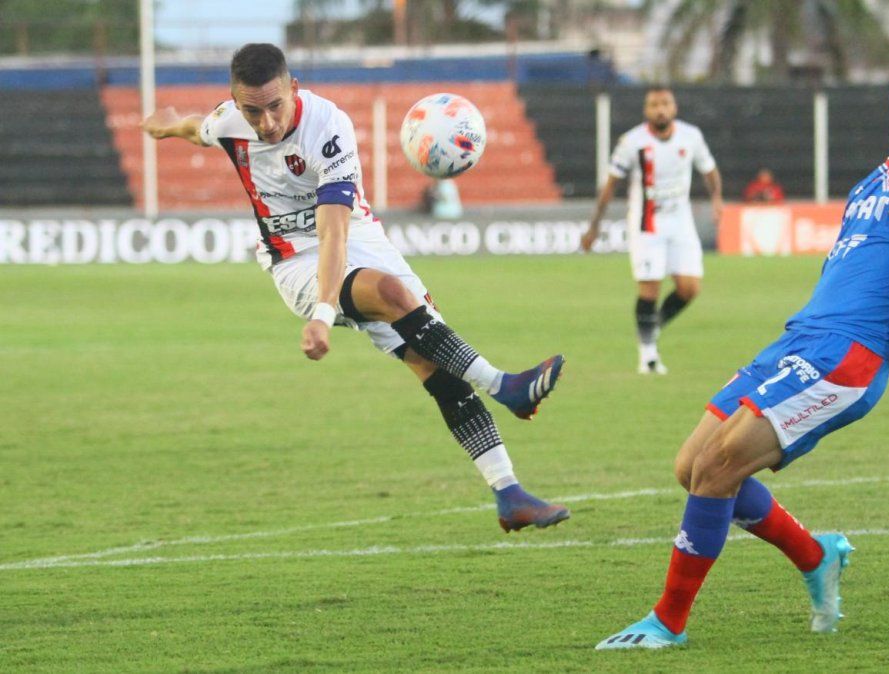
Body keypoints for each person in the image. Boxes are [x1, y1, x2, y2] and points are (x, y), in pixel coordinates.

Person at [595, 35, 889, 650]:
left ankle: (667, 623)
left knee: (717, 468)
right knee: (693, 465)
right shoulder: (874, 180)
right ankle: (814, 555)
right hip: (802, 338)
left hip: (846, 355)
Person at [141, 43, 569, 533]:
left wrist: (324, 313)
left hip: (354, 235)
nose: (267, 123)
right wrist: (168, 124)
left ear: (294, 88)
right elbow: (200, 128)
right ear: (236, 103)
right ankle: (505, 386)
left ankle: (509, 494)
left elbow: (335, 233)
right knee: (390, 294)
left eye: (275, 106)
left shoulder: (329, 127)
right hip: (293, 258)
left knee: (436, 365)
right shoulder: (230, 123)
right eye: (252, 111)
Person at [581, 85, 723, 375]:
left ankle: (651, 327)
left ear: (674, 108)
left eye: (665, 103)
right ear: (646, 111)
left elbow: (709, 170)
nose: (660, 110)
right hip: (648, 225)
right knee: (650, 287)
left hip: (681, 222)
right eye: (654, 105)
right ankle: (648, 355)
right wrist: (594, 226)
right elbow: (610, 185)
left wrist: (717, 199)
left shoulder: (691, 136)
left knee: (690, 288)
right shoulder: (632, 142)